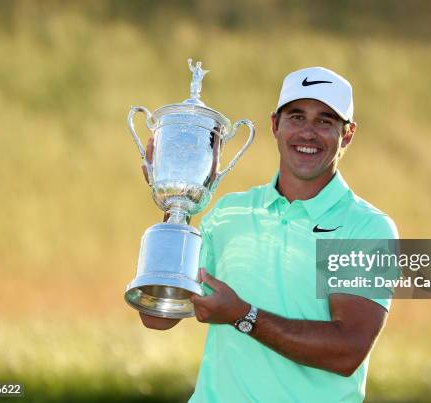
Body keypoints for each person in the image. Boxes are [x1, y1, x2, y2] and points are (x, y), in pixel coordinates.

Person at [140, 66, 399, 402]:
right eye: (296, 117)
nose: (308, 133)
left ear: (347, 134)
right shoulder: (229, 212)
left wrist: (243, 316)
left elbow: (347, 350)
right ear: (275, 125)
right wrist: (177, 197)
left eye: (325, 121)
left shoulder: (367, 228)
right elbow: (156, 316)